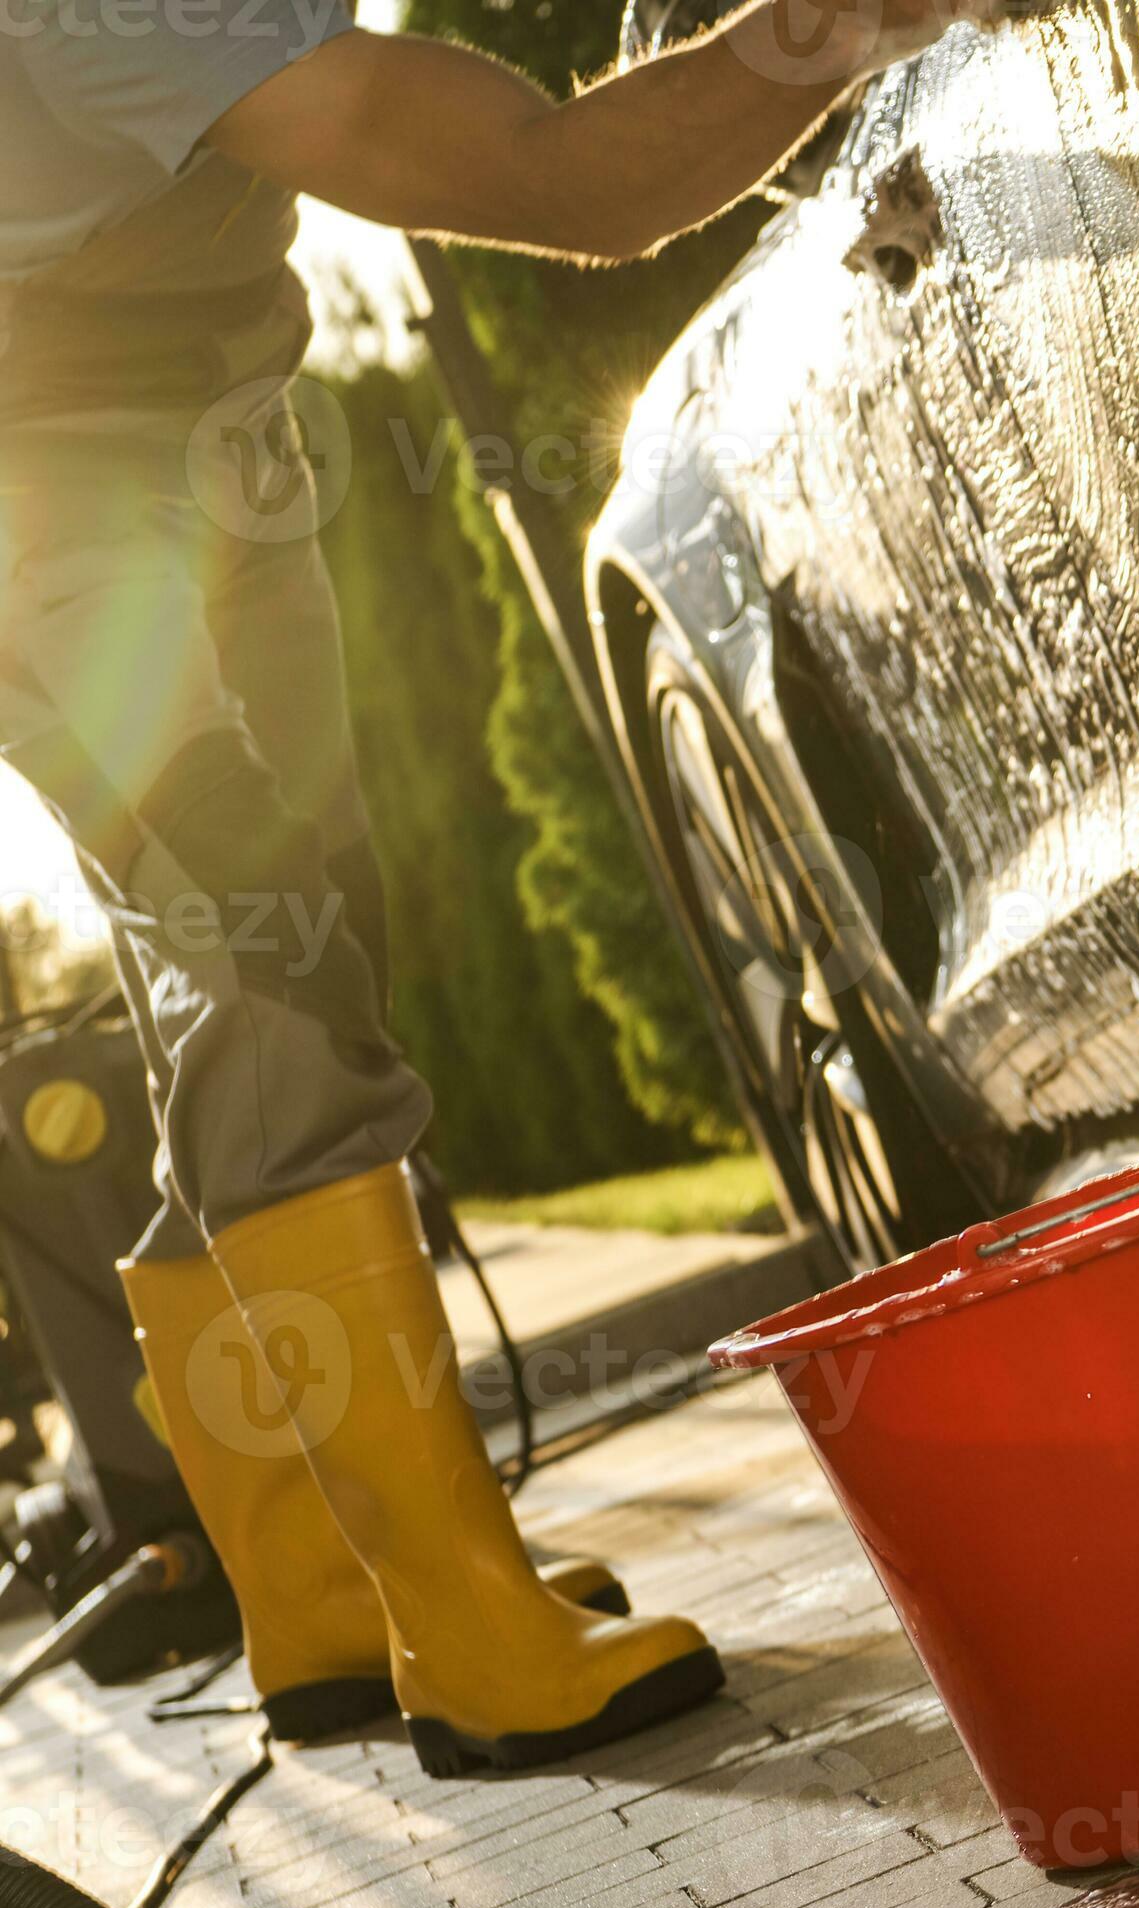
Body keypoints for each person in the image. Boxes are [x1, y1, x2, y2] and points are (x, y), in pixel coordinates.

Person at [0, 0, 982, 1774]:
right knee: (269, 962)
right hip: (62, 511)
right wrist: (836, 30)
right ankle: (461, 1624)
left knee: (244, 988)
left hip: (203, 444)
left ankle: (321, 1592)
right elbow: (557, 180)